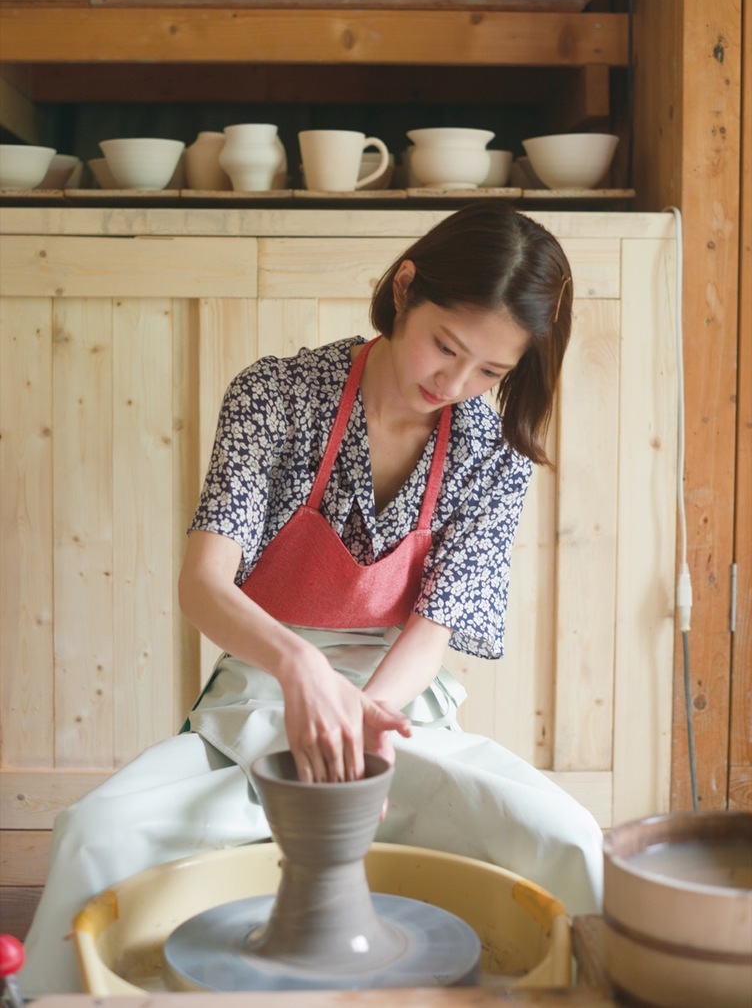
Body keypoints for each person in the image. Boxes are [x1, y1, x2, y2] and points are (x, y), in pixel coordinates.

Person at [20, 203, 602, 995]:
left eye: (490, 372)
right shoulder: (276, 395)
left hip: (398, 710)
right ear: (406, 289)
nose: (454, 384)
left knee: (568, 838)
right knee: (92, 835)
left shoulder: (493, 453)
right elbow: (203, 583)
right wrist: (300, 667)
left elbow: (432, 630)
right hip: (262, 692)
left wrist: (366, 719)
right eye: (445, 345)